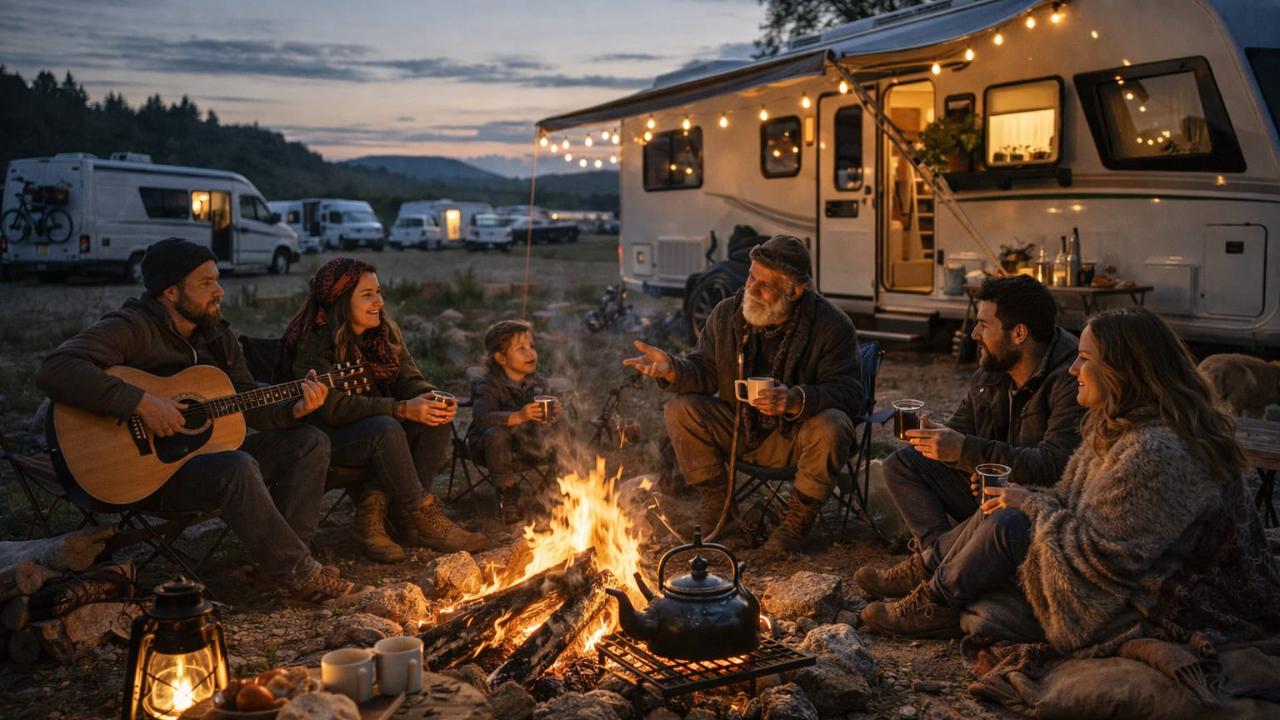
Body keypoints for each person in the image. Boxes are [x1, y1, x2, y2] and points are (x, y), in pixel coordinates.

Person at [860, 308, 1280, 645]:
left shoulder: (1157, 450)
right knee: (999, 506)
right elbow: (1070, 501)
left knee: (1007, 526)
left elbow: (1105, 559)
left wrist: (1028, 502)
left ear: (1123, 371)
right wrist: (1020, 495)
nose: (1074, 369)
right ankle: (927, 571)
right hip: (1117, 565)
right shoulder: (1119, 426)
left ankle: (934, 603)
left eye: (1085, 358)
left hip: (1166, 595)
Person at [36, 238, 370, 606]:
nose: (220, 291)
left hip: (204, 456)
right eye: (206, 283)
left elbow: (248, 402)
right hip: (145, 474)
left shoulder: (216, 334)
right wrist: (142, 403)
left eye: (218, 280)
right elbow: (56, 369)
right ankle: (303, 576)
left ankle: (287, 561)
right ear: (170, 291)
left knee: (310, 440)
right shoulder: (131, 326)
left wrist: (295, 409)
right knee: (236, 466)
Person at [624, 234, 863, 552]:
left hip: (794, 437)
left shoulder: (832, 325)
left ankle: (797, 521)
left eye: (764, 284)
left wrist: (795, 399)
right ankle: (719, 505)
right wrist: (672, 369)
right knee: (680, 409)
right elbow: (706, 370)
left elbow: (849, 393)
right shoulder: (728, 314)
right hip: (737, 429)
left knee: (833, 424)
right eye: (751, 276)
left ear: (794, 290)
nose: (750, 288)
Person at [855, 275, 1083, 599]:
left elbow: (1054, 466)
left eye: (983, 325)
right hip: (987, 491)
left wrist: (965, 451)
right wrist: (936, 436)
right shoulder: (991, 370)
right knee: (903, 464)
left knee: (998, 508)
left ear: (1019, 333)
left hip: (1034, 506)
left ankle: (933, 575)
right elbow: (962, 431)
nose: (974, 334)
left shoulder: (1070, 380)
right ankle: (942, 564)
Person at [279, 257, 484, 563]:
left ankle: (395, 518)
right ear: (341, 300)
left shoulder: (383, 333)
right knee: (385, 427)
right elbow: (329, 407)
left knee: (434, 418)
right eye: (367, 294)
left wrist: (428, 396)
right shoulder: (315, 340)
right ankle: (420, 514)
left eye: (379, 291)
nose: (379, 301)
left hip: (375, 428)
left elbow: (407, 377)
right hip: (324, 437)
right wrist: (400, 409)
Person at [466, 320, 568, 523]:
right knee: (496, 433)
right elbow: (483, 419)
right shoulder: (488, 384)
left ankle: (551, 488)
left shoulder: (538, 382)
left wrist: (555, 410)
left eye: (531, 347)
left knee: (565, 427)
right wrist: (519, 416)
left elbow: (547, 418)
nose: (530, 353)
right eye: (521, 348)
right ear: (501, 357)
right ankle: (508, 493)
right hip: (490, 449)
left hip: (528, 445)